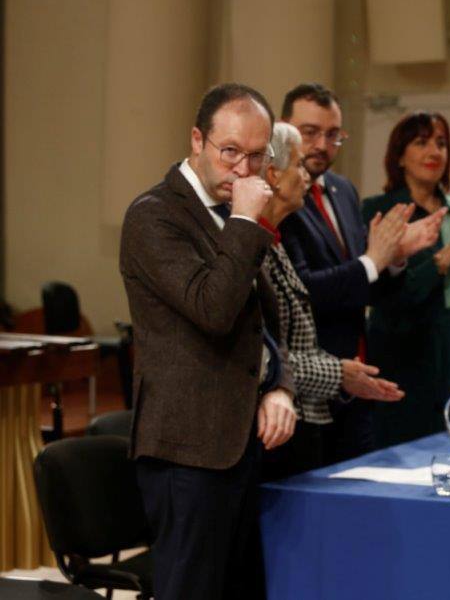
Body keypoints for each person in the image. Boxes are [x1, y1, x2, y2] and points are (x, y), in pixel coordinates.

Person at [120, 83, 298, 599]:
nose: (243, 170)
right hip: (187, 449)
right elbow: (213, 311)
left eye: (257, 156)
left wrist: (279, 386)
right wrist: (244, 220)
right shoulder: (154, 215)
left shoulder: (228, 211)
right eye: (230, 152)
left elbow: (266, 322)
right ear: (197, 141)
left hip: (242, 442)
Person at [278, 83, 444, 460]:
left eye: (333, 135)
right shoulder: (279, 197)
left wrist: (395, 258)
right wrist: (372, 261)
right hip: (309, 387)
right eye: (310, 132)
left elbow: (365, 287)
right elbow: (304, 291)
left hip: (358, 382)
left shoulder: (343, 190)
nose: (322, 145)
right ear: (285, 129)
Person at [259, 122, 404, 480]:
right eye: (298, 164)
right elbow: (262, 355)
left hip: (307, 418)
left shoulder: (273, 241)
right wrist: (338, 373)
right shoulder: (254, 248)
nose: (305, 175)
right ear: (274, 176)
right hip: (278, 428)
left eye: (334, 133)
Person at [362, 112, 450, 447]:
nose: (434, 151)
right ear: (399, 156)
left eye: (441, 143)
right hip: (401, 355)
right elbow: (394, 297)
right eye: (421, 143)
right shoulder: (380, 211)